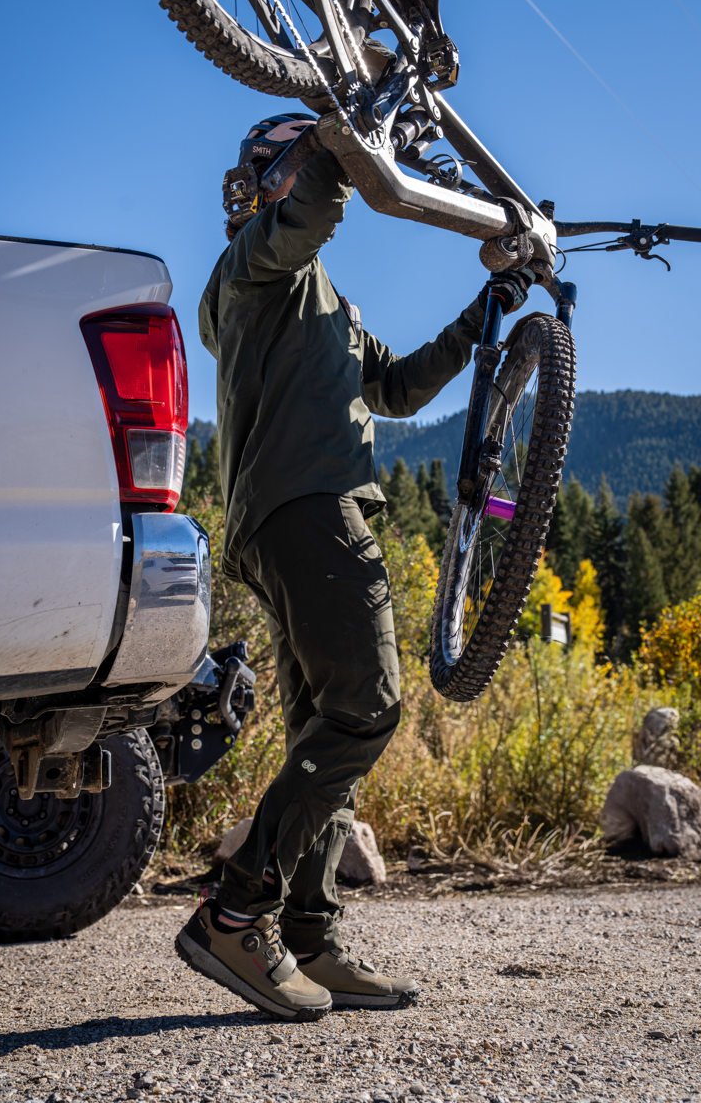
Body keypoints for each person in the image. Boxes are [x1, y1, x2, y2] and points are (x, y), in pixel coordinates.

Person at [176, 113, 534, 1021]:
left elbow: (400, 387)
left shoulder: (324, 302)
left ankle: (309, 937)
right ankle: (236, 912)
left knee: (324, 729)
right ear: (269, 180)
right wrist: (346, 132)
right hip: (306, 506)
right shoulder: (249, 269)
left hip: (295, 516)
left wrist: (487, 308)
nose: (316, 168)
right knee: (367, 708)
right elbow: (309, 215)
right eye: (299, 158)